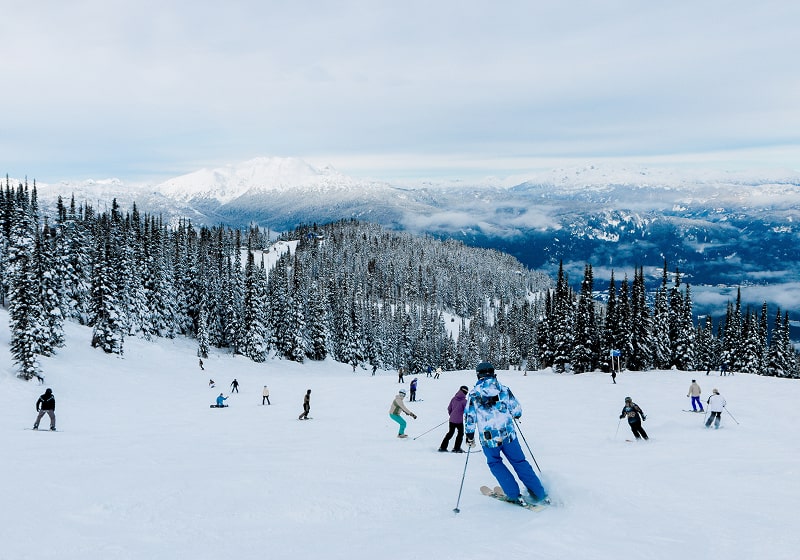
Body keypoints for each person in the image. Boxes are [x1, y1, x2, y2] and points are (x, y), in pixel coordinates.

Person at [465, 362, 548, 506]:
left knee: (495, 463)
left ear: (478, 375)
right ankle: (539, 493)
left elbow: (470, 418)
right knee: (520, 462)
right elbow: (517, 410)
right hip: (509, 436)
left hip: (489, 439)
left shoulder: (474, 394)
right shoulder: (503, 389)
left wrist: (469, 436)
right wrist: (514, 415)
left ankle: (513, 494)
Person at [439, 385, 468, 453]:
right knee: (460, 433)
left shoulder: (453, 398)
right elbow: (467, 411)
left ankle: (443, 447)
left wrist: (451, 415)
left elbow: (449, 408)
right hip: (459, 421)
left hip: (451, 420)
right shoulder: (464, 401)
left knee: (450, 433)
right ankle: (456, 448)